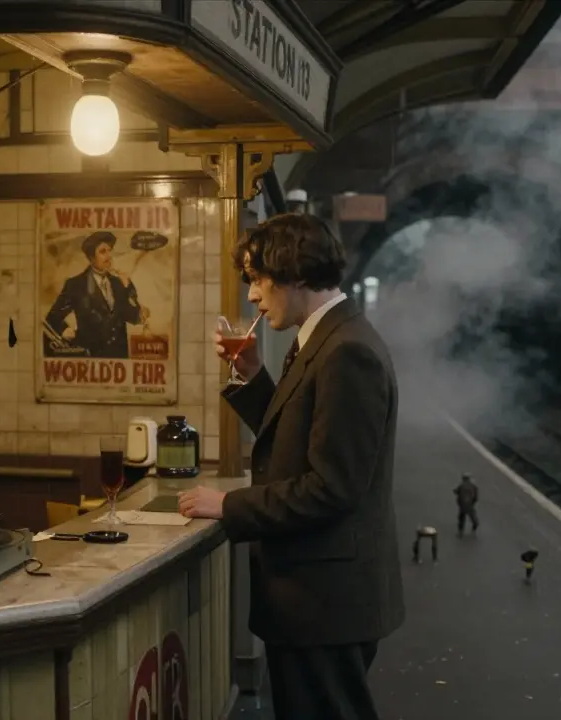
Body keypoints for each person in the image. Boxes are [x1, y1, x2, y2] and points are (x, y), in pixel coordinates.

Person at [178, 213, 402, 720]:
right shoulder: (327, 338)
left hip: (325, 601)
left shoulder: (346, 353)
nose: (253, 296)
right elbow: (297, 440)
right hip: (319, 599)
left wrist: (229, 505)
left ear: (295, 273)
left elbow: (331, 487)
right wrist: (253, 374)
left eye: (258, 279)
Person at [42, 231, 148, 358]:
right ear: (91, 257)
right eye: (103, 252)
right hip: (91, 360)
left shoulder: (118, 283)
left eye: (109, 251)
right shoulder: (76, 285)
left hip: (119, 360)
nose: (109, 256)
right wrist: (66, 331)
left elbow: (134, 317)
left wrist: (128, 287)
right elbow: (53, 317)